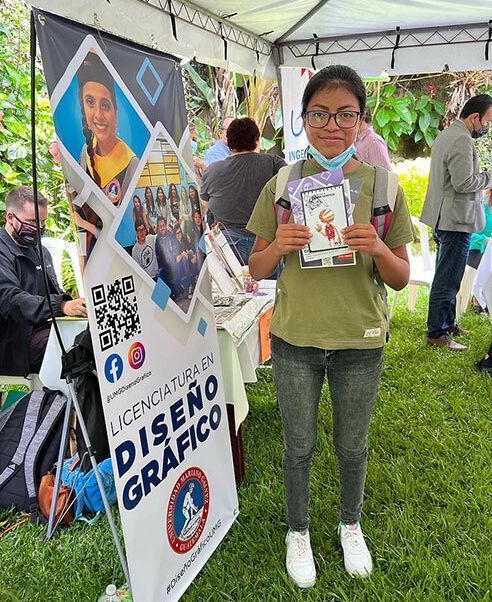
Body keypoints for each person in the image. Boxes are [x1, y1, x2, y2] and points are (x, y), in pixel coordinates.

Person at [247, 65, 413, 588]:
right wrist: (280, 246)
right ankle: (298, 532)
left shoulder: (383, 185)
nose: (332, 125)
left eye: (345, 115)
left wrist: (379, 247)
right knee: (298, 446)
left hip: (359, 341)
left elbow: (403, 276)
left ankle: (349, 524)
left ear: (362, 122)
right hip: (295, 339)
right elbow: (255, 266)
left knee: (352, 445)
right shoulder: (283, 183)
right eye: (319, 114)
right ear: (304, 119)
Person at [420, 94, 492, 350]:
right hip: (454, 220)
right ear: (474, 117)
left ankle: (447, 324)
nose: (486, 128)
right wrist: (489, 177)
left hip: (445, 217)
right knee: (448, 278)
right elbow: (464, 183)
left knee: (449, 273)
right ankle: (437, 332)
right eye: (486, 122)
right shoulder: (461, 139)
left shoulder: (447, 134)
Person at [0, 187, 87, 377]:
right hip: (12, 344)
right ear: (10, 217)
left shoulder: (41, 252)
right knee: (75, 353)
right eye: (31, 222)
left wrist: (77, 307)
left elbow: (56, 292)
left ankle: (78, 405)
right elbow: (12, 301)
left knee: (91, 340)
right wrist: (60, 305)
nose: (38, 229)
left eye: (42, 222)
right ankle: (65, 405)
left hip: (46, 330)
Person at [201, 117, 286, 264]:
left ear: (229, 141)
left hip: (228, 246)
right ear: (256, 139)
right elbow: (292, 194)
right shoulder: (273, 163)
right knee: (270, 287)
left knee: (233, 286)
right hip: (266, 244)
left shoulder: (213, 170)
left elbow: (205, 203)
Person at [77, 51, 139, 205]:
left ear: (115, 114)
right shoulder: (85, 154)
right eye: (90, 102)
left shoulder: (131, 164)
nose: (98, 114)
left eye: (105, 105)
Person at [467, 189, 492, 314]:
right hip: (474, 250)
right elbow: (467, 233)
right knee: (487, 264)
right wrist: (485, 240)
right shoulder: (480, 202)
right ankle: (478, 299)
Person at [154, 216, 179, 298]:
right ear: (158, 228)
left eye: (163, 225)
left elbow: (176, 249)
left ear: (166, 225)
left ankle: (174, 291)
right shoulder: (157, 240)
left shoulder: (171, 236)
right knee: (158, 274)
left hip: (174, 263)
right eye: (160, 226)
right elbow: (158, 256)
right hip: (165, 267)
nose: (162, 228)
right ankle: (166, 298)